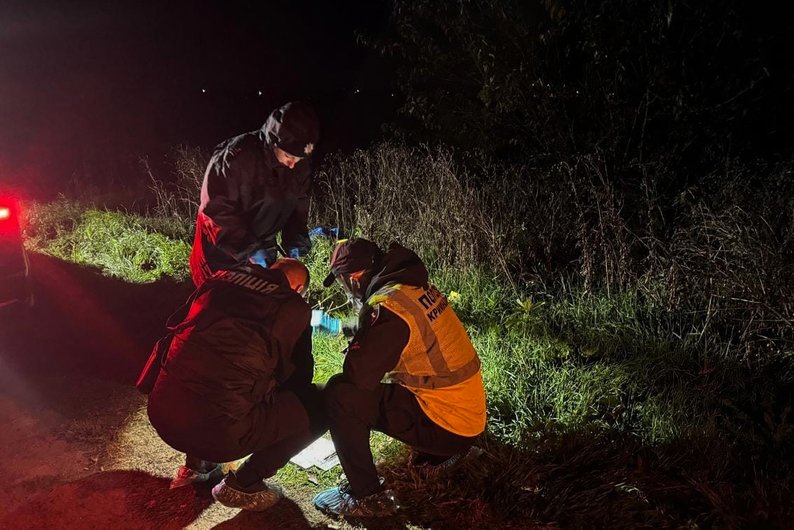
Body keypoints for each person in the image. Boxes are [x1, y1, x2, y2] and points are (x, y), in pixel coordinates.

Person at [312, 238, 487, 518]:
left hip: (448, 426)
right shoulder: (410, 287)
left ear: (355, 278)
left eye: (344, 283)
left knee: (340, 394)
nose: (348, 291)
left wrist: (357, 347)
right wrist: (348, 329)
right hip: (467, 415)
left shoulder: (387, 307)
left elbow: (358, 377)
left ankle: (365, 495)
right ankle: (437, 455)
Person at [147, 258, 326, 511]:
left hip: (162, 413)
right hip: (219, 436)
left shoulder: (221, 279)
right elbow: (299, 380)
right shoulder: (292, 307)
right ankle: (245, 484)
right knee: (322, 401)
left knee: (211, 373)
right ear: (297, 289)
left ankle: (196, 467)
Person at [189, 101, 320, 287]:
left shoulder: (299, 165)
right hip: (222, 252)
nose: (293, 165)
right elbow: (216, 212)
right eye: (289, 157)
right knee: (219, 307)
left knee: (260, 304)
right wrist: (250, 249)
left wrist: (295, 242)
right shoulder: (236, 158)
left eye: (299, 159)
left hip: (263, 246)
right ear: (275, 141)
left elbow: (298, 205)